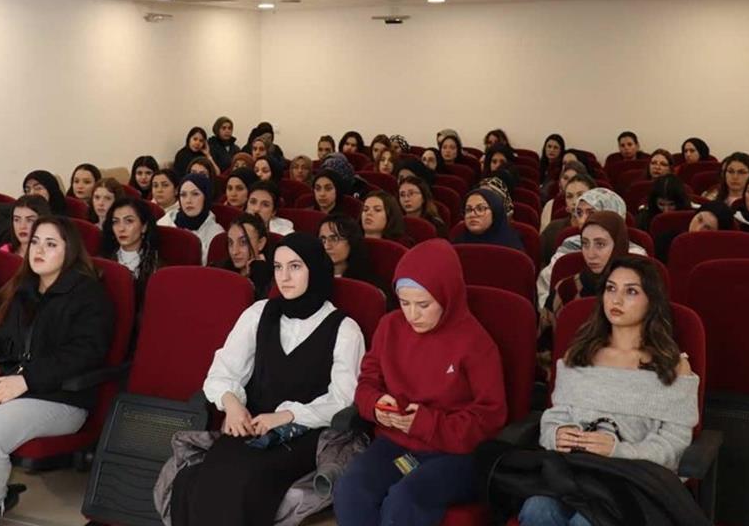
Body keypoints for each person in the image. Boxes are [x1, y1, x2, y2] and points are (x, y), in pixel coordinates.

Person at [170, 234, 366, 526]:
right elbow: (223, 370)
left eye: (295, 267)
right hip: (251, 424)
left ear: (314, 268)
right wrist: (232, 404)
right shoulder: (258, 313)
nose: (284, 277)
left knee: (248, 481)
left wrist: (286, 416)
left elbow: (343, 399)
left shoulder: (345, 329)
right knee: (205, 475)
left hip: (304, 433)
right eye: (278, 267)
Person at [0, 216, 113, 524]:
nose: (38, 250)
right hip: (7, 385)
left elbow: (84, 354)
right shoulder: (20, 287)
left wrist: (26, 379)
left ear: (69, 250)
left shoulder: (89, 295)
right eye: (35, 242)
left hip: (60, 397)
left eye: (50, 244)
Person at [333, 240, 508, 526]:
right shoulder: (390, 326)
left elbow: (489, 419)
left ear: (447, 297)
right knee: (350, 490)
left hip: (454, 453)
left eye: (423, 305)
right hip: (395, 443)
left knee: (403, 502)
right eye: (404, 303)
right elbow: (366, 384)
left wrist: (426, 423)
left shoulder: (476, 343)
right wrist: (376, 406)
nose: (412, 314)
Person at [517, 257, 698, 526]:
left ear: (651, 301)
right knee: (537, 509)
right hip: (578, 472)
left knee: (585, 522)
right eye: (611, 288)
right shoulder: (579, 354)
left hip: (636, 479)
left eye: (631, 291)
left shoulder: (672, 366)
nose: (617, 299)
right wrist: (557, 434)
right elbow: (556, 415)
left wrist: (617, 449)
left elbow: (675, 444)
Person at [538, 189, 645, 309]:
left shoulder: (636, 257)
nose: (583, 220)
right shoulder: (569, 245)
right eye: (579, 213)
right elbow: (545, 288)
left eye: (591, 213)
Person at [542, 212, 629, 338]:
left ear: (618, 245)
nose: (590, 254)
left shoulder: (638, 292)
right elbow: (545, 343)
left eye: (600, 244)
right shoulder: (566, 289)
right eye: (585, 243)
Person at [99, 196, 161, 311]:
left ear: (144, 227)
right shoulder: (102, 262)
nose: (121, 229)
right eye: (115, 222)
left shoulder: (156, 266)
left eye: (129, 221)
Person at [157, 173, 224, 265]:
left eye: (195, 194)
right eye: (183, 195)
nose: (188, 200)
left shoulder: (216, 234)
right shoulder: (164, 224)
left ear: (206, 197)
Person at [319, 214, 384, 295]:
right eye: (322, 240)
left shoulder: (369, 285)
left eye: (334, 239)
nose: (326, 246)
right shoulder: (312, 277)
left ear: (351, 241)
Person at [213, 212, 273, 300]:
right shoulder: (219, 270)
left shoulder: (273, 278)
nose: (234, 251)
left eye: (243, 242)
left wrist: (260, 276)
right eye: (230, 243)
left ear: (261, 243)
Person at [541, 174, 595, 264]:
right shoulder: (553, 229)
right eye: (569, 196)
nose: (574, 202)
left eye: (580, 195)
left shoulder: (604, 230)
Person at [654, 201, 734, 262]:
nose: (698, 229)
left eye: (707, 228)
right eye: (699, 219)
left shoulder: (719, 259)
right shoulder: (666, 241)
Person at [454, 188, 524, 251]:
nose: (472, 214)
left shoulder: (512, 247)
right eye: (468, 209)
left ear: (495, 212)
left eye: (480, 209)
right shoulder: (458, 243)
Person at [541, 161, 588, 226]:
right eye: (565, 178)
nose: (569, 182)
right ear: (560, 181)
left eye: (573, 179)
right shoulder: (550, 204)